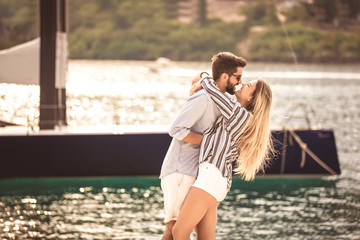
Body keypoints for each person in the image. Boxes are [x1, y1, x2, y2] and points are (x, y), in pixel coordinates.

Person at [171, 74, 274, 239]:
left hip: (211, 177)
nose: (242, 84)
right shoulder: (240, 114)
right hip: (217, 182)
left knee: (179, 232)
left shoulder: (239, 114)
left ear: (251, 97)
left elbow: (214, 91)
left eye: (248, 85)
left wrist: (203, 79)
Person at [159, 52, 247, 240]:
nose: (240, 82)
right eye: (237, 77)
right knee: (173, 229)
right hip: (179, 169)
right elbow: (176, 129)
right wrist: (209, 142)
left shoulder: (223, 102)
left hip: (195, 170)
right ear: (225, 76)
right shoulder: (203, 98)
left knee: (184, 231)